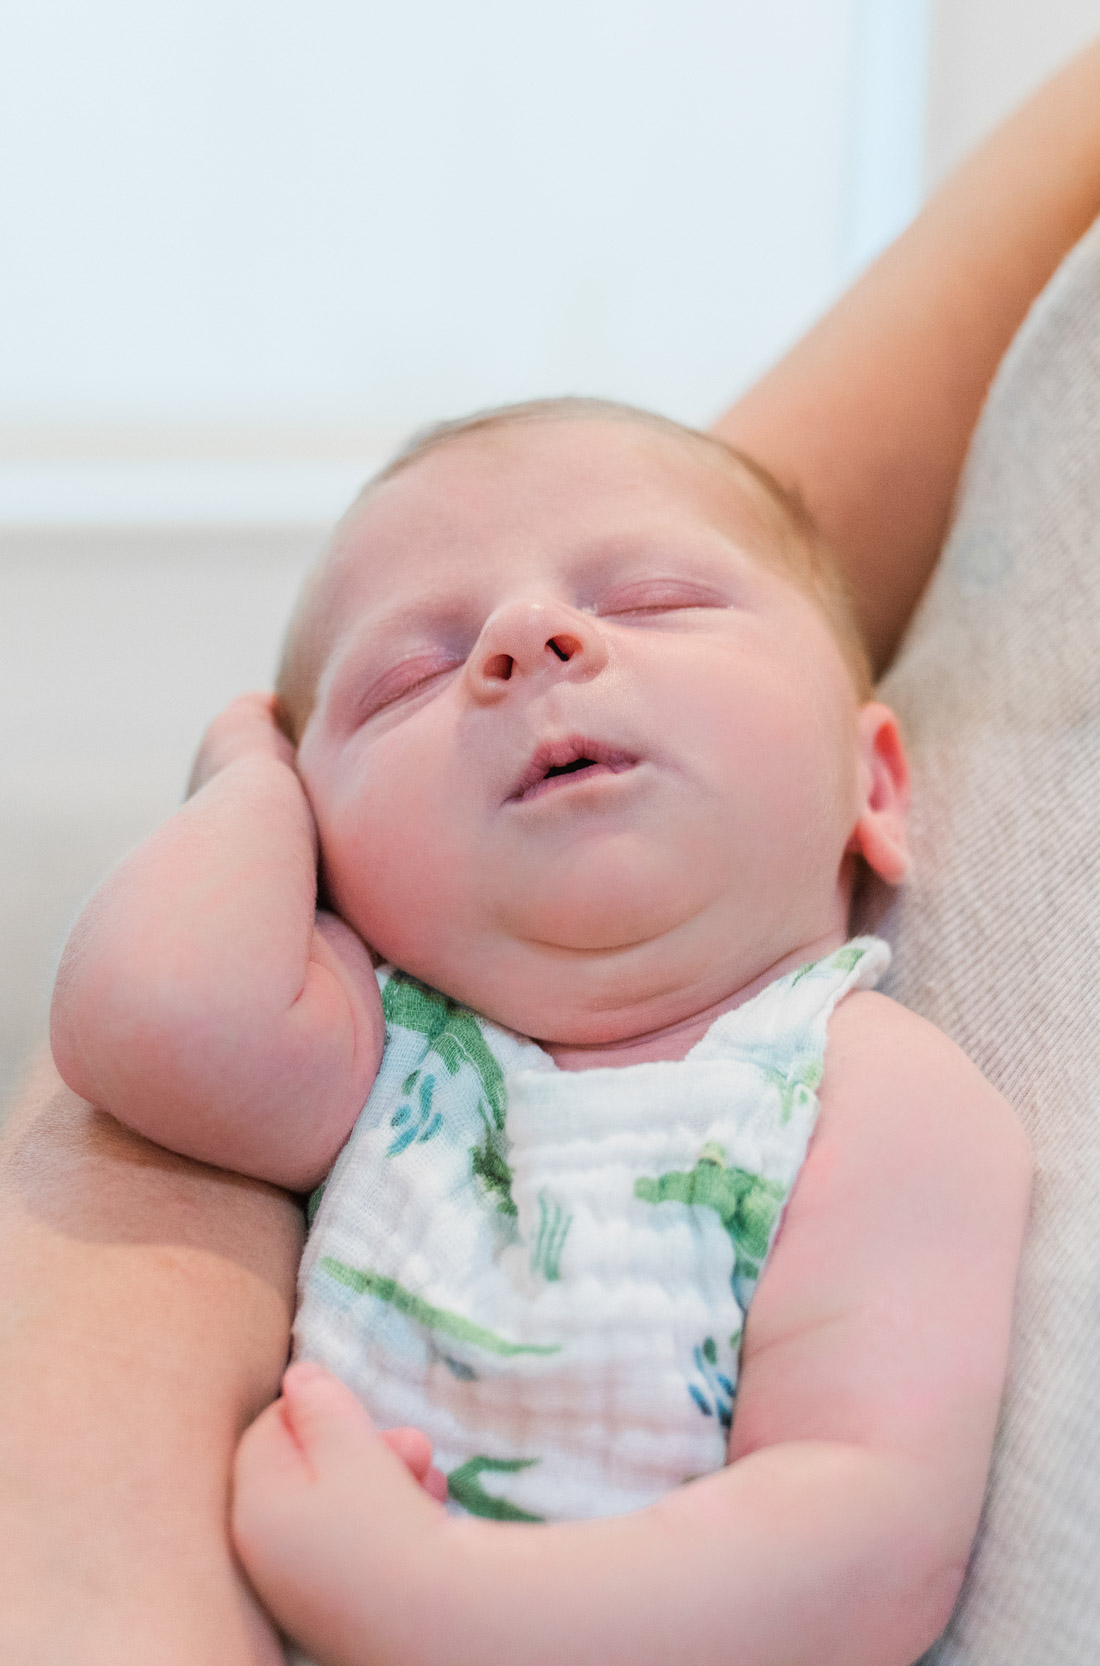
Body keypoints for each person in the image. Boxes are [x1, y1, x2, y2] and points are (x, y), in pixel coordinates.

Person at [3, 37, 1100, 1666]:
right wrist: (247, 765)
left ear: (878, 777)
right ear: (335, 858)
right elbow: (142, 1025)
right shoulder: (381, 1049)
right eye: (405, 678)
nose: (524, 634)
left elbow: (858, 1536)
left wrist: (426, 1598)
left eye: (652, 597)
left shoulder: (874, 1097)